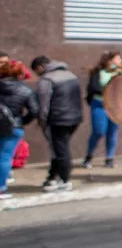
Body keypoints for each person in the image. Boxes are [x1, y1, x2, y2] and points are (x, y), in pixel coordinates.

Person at [30, 56, 82, 192]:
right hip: (74, 118)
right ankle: (53, 177)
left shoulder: (47, 79)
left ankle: (65, 180)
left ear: (40, 67)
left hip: (57, 119)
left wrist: (42, 121)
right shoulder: (70, 75)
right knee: (59, 148)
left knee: (60, 150)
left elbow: (43, 104)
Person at [0, 60, 39, 201]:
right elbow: (34, 110)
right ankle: (1, 188)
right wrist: (22, 121)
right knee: (5, 157)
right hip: (13, 127)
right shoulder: (25, 90)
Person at [83, 51, 122, 169]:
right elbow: (95, 87)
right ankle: (89, 156)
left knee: (112, 131)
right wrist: (109, 91)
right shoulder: (98, 72)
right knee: (99, 131)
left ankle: (109, 158)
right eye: (118, 59)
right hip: (99, 104)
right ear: (110, 61)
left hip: (114, 106)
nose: (120, 61)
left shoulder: (119, 73)